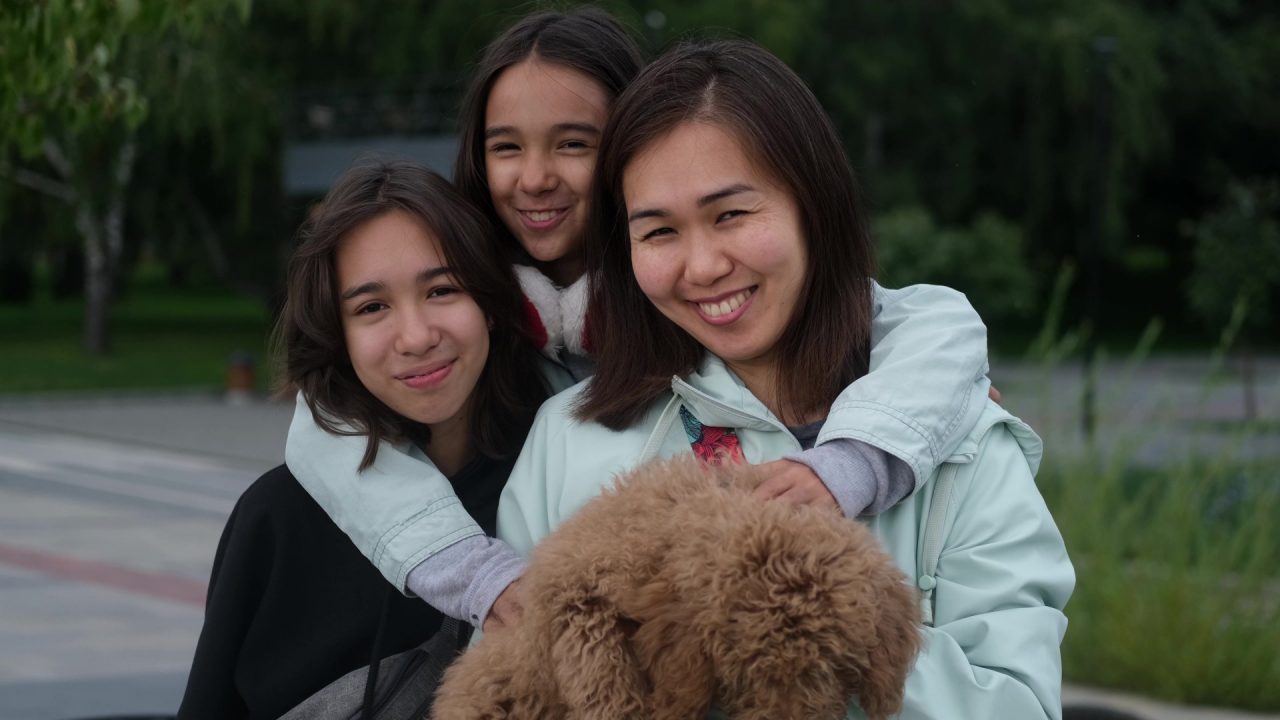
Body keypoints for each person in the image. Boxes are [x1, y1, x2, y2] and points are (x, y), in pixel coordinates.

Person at [285, 7, 997, 635]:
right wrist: (475, 573)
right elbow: (327, 423)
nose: (535, 177)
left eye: (572, 144)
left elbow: (931, 325)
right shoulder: (467, 308)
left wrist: (897, 424)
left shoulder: (701, 290)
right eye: (506, 147)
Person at [497, 40, 1074, 718]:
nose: (703, 265)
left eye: (731, 215)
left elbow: (1020, 704)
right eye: (658, 232)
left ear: (813, 204)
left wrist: (814, 626)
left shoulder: (966, 448)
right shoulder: (572, 439)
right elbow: (510, 685)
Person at [177, 162, 549, 719]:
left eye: (443, 289)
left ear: (491, 305)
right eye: (372, 307)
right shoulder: (276, 517)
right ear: (337, 334)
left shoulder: (554, 481)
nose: (418, 336)